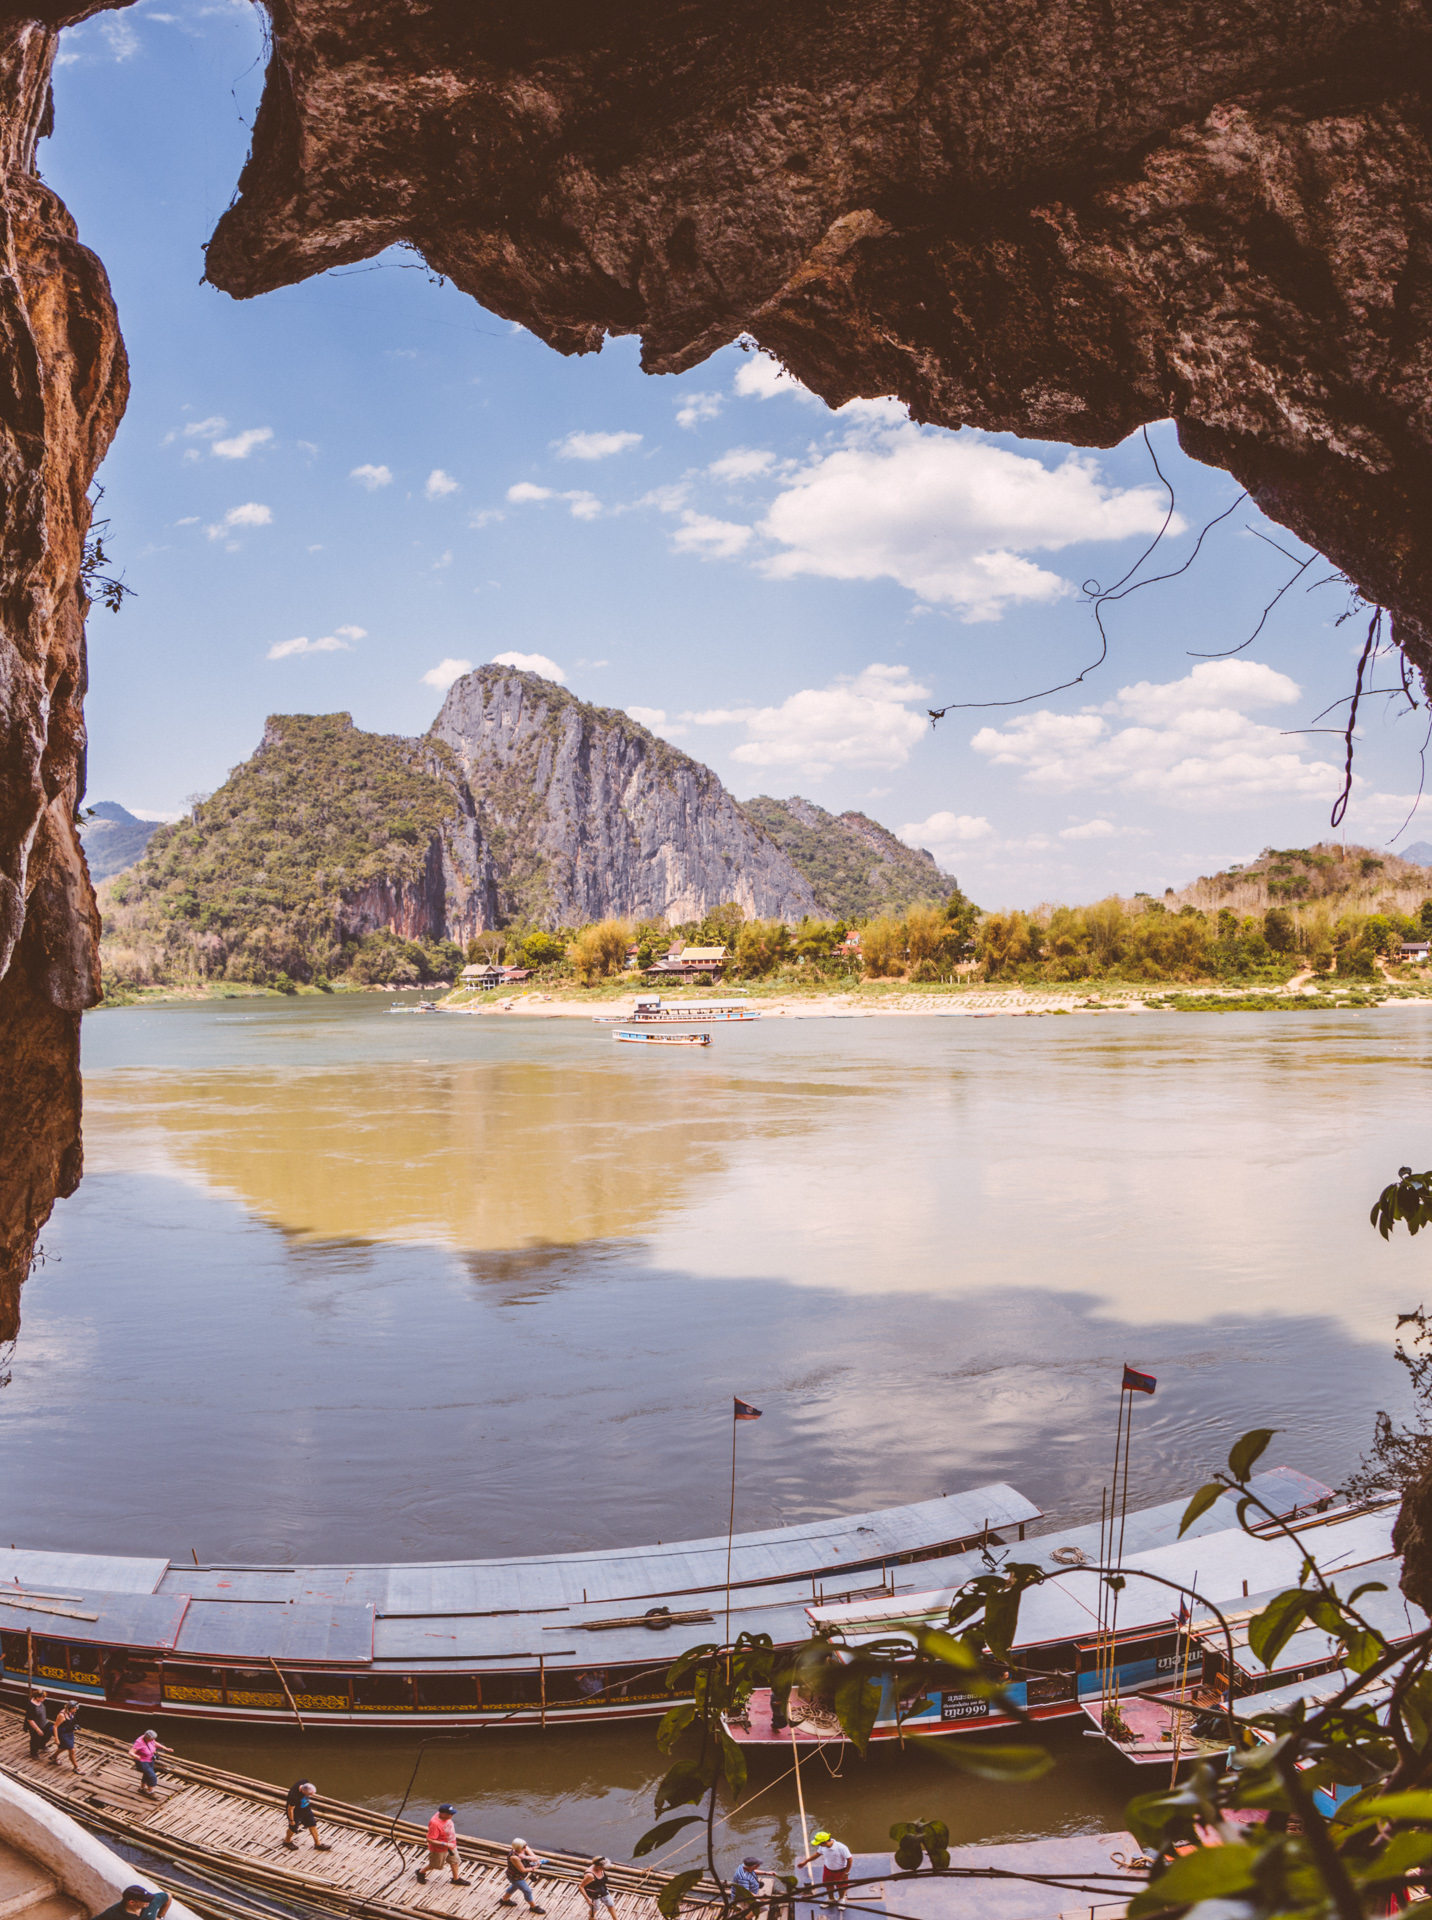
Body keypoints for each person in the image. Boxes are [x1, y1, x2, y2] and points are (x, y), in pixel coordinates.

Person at [416, 1803, 469, 1886]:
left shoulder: (440, 1814)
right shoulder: (435, 1824)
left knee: (455, 1861)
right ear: (443, 1814)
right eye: (450, 1814)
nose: (452, 1815)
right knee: (435, 1865)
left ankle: (456, 1879)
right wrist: (445, 1844)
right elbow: (429, 1839)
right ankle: (421, 1872)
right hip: (439, 1849)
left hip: (451, 1845)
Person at [797, 1832, 852, 1908]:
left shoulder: (841, 1848)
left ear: (825, 1842)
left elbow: (849, 1859)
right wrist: (805, 1862)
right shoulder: (823, 1847)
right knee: (828, 1885)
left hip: (840, 1871)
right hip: (828, 1869)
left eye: (819, 1844)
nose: (818, 1845)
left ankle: (842, 1899)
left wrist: (846, 1873)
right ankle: (831, 1898)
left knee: (841, 1887)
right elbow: (817, 1854)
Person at [498, 1838, 546, 1911]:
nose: (526, 1847)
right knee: (527, 1891)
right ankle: (533, 1907)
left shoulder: (525, 1848)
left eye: (525, 1846)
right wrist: (534, 1868)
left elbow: (536, 1858)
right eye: (524, 1847)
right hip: (515, 1877)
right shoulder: (514, 1857)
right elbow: (522, 1870)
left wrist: (526, 1857)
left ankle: (504, 1900)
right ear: (518, 1848)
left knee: (514, 1887)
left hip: (520, 1875)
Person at [283, 1779, 331, 1851]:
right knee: (293, 1827)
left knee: (312, 1824)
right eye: (309, 1794)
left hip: (306, 1808)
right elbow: (290, 1809)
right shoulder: (294, 1796)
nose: (311, 1796)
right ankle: (287, 1841)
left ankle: (318, 1844)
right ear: (303, 1792)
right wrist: (291, 1820)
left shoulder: (304, 1782)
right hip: (296, 1812)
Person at [129, 1729, 168, 1797]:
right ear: (146, 1738)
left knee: (147, 1774)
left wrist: (164, 1748)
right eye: (151, 1739)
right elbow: (130, 1752)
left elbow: (154, 1743)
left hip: (150, 1759)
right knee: (152, 1776)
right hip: (142, 1761)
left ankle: (141, 1788)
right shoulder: (139, 1742)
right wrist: (136, 1756)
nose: (152, 1740)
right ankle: (151, 1792)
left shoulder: (150, 1739)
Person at [93, 1887, 170, 1920]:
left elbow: (168, 1896)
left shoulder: (152, 1902)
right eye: (145, 1900)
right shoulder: (112, 1913)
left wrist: (160, 1917)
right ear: (132, 1902)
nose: (149, 1901)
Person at [51, 1702, 80, 1772]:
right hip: (62, 1733)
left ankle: (54, 1756)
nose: (76, 1710)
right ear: (71, 1708)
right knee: (71, 1750)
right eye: (75, 1708)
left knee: (64, 1747)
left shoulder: (72, 1713)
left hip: (69, 1732)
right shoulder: (62, 1715)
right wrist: (56, 1738)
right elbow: (55, 1727)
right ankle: (76, 1767)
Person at [24, 1691, 50, 1761]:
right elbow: (30, 1720)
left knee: (50, 1731)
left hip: (43, 1722)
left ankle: (42, 1745)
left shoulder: (40, 1702)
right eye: (43, 1697)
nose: (44, 1699)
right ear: (37, 1697)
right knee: (35, 1739)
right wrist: (38, 1729)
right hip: (35, 1725)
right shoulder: (31, 1706)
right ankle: (33, 1753)